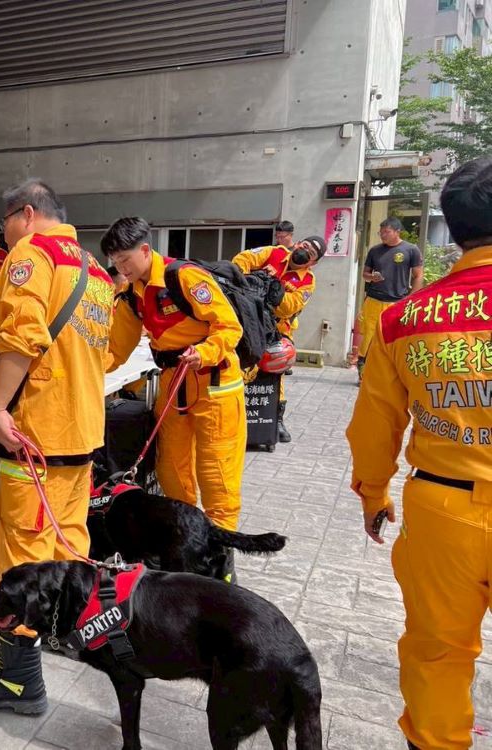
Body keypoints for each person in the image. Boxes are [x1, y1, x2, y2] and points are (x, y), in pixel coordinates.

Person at [0, 179, 114, 714]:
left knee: (23, 559)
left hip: (35, 437)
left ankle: (17, 679)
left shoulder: (33, 253)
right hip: (82, 435)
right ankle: (70, 634)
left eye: (5, 226)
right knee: (69, 548)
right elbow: (103, 356)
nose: (4, 237)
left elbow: (22, 336)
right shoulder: (94, 271)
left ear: (25, 214)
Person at [347, 156, 492, 750]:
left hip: (442, 511)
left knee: (437, 655)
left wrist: (374, 495)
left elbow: (375, 424)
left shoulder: (407, 319)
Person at [104, 217, 245, 579]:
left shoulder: (183, 279)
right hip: (173, 384)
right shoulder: (132, 295)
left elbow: (229, 326)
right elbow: (115, 349)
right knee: (172, 471)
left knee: (217, 476)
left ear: (145, 250)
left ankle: (221, 562)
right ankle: (185, 543)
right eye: (116, 263)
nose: (121, 268)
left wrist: (207, 351)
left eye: (125, 260)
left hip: (214, 383)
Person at [231, 235, 327, 442]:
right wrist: (253, 279)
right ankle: (232, 410)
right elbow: (241, 260)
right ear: (298, 242)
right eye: (305, 245)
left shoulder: (308, 281)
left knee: (277, 366)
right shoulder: (274, 252)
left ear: (313, 263)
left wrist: (276, 285)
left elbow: (290, 306)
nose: (304, 251)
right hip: (247, 317)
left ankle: (276, 418)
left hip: (276, 327)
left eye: (310, 254)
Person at [355, 217, 424, 382]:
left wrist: (411, 298)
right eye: (381, 232)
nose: (383, 235)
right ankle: (363, 373)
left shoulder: (411, 250)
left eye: (386, 232)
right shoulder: (375, 251)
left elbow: (418, 275)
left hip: (396, 302)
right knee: (368, 338)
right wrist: (372, 277)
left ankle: (392, 375)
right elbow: (365, 274)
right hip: (373, 300)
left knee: (394, 339)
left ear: (397, 231)